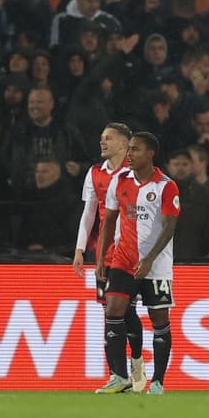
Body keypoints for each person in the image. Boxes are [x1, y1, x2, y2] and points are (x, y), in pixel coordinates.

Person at [95, 132, 179, 395]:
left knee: (159, 320)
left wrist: (150, 259)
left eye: (136, 149)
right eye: (129, 149)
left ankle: (157, 382)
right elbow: (108, 221)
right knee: (113, 310)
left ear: (150, 154)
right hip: (123, 259)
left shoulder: (166, 186)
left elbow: (169, 228)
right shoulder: (120, 181)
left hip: (157, 265)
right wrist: (101, 258)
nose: (130, 154)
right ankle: (119, 376)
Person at [72, 123, 144, 396]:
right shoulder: (94, 173)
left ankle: (136, 360)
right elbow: (89, 213)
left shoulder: (137, 174)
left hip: (132, 253)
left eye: (108, 138)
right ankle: (118, 375)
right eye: (101, 137)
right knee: (110, 311)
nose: (102, 142)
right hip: (106, 255)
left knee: (126, 311)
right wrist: (80, 249)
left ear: (125, 145)